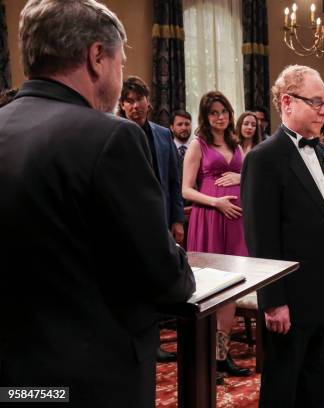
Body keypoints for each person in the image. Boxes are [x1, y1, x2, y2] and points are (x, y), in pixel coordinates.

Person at [0, 1, 195, 407]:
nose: (121, 76)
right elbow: (164, 278)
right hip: (90, 378)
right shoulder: (111, 137)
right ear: (96, 57)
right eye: (121, 62)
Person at [241, 65, 324, 408]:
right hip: (291, 297)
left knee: (321, 381)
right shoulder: (264, 158)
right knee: (284, 385)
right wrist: (273, 300)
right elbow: (261, 234)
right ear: (287, 102)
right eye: (315, 102)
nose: (323, 110)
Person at [182, 91, 251, 380]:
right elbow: (185, 190)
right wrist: (216, 202)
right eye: (213, 113)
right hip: (209, 219)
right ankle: (206, 359)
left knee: (233, 287)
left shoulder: (237, 145)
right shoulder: (197, 145)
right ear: (205, 116)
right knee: (211, 289)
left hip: (236, 223)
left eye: (224, 111)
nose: (220, 117)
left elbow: (253, 176)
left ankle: (222, 355)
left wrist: (240, 177)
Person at [119, 76, 184, 246]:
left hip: (161, 215)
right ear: (121, 105)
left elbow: (174, 180)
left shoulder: (163, 134)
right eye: (129, 101)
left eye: (140, 99)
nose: (135, 106)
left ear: (148, 102)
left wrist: (177, 219)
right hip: (127, 217)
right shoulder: (114, 136)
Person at [170, 109, 193, 182]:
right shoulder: (166, 150)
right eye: (179, 124)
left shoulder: (199, 149)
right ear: (172, 128)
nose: (184, 128)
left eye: (187, 124)